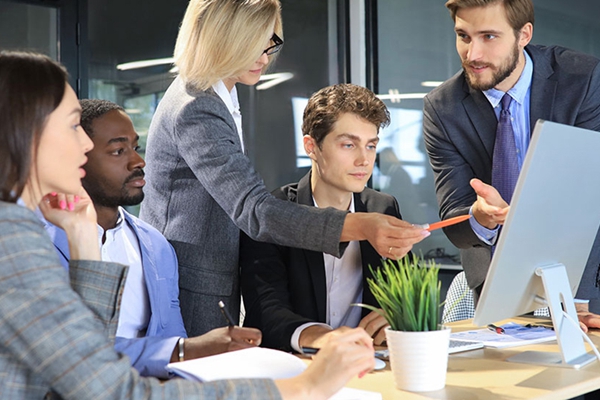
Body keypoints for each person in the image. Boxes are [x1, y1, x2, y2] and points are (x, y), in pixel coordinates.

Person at [0, 50, 377, 400]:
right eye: (71, 126)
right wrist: (303, 386)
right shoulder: (11, 241)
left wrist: (83, 238)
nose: (84, 144)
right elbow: (113, 391)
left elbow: (87, 357)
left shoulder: (32, 231)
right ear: (25, 130)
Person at [139, 0, 429, 337]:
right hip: (191, 288)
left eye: (270, 43)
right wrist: (360, 226)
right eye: (255, 44)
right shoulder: (197, 106)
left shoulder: (218, 99)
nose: (265, 57)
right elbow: (255, 212)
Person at [41, 99, 262, 378]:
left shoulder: (155, 246)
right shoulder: (37, 247)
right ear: (76, 158)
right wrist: (185, 349)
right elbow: (74, 354)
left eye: (136, 148)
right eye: (118, 151)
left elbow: (172, 339)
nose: (138, 161)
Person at [422, 0, 600, 327]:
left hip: (586, 285)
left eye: (489, 36)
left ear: (524, 34)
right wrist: (478, 217)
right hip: (495, 287)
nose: (473, 54)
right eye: (463, 36)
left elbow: (593, 193)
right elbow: (455, 219)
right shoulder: (443, 108)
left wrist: (578, 296)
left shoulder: (583, 79)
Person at [240, 84, 406, 352]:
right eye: (349, 145)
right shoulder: (273, 212)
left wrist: (395, 315)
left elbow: (404, 290)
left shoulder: (382, 208)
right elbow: (266, 312)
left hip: (370, 364)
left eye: (371, 145)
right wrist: (322, 338)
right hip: (295, 366)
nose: (364, 160)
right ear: (311, 147)